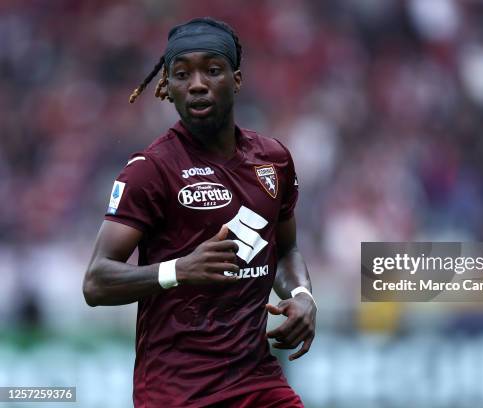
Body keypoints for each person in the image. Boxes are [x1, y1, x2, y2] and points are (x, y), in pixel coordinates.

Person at [82, 17, 316, 408]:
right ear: (167, 88)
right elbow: (96, 281)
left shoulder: (273, 161)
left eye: (211, 70)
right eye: (181, 74)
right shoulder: (151, 169)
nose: (196, 84)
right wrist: (179, 270)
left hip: (257, 383)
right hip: (176, 394)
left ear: (236, 80)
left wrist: (304, 295)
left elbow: (286, 249)